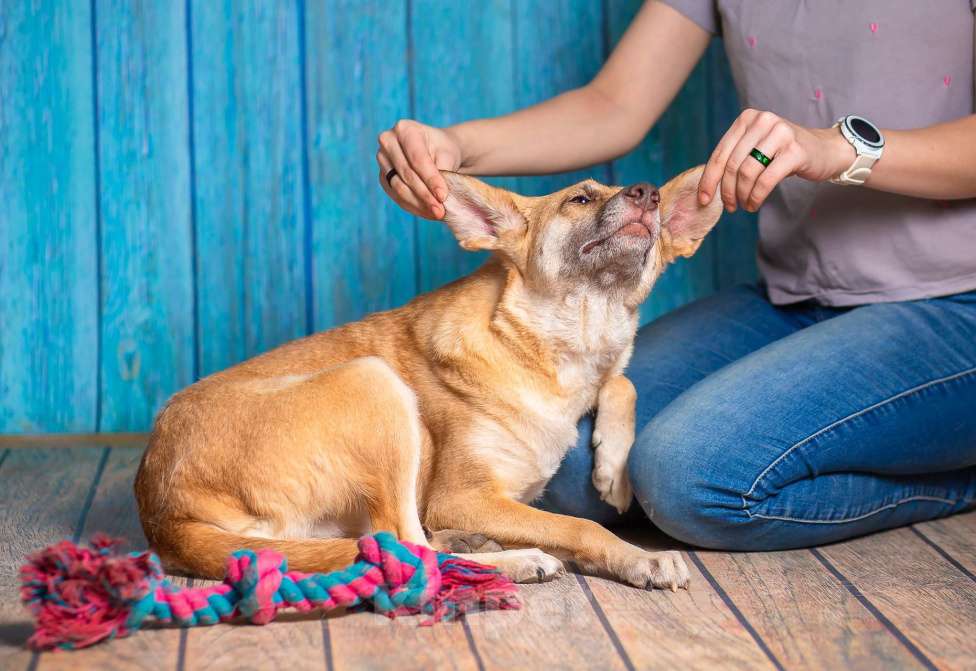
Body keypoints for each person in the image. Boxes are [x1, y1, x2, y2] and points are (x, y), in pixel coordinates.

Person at [375, 1, 976, 550]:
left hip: (953, 303)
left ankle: (959, 482)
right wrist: (454, 145)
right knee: (569, 478)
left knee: (690, 479)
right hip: (793, 298)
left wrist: (839, 149)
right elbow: (614, 105)